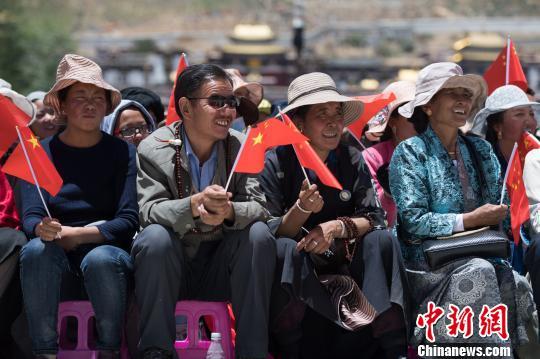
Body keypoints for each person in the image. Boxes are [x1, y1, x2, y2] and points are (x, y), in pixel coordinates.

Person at [261, 72, 410, 359]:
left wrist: (334, 227)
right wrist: (301, 210)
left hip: (345, 260)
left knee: (382, 241)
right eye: (321, 114)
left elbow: (375, 217)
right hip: (300, 268)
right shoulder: (276, 161)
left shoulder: (351, 156)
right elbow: (270, 229)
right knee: (283, 249)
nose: (333, 122)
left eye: (337, 113)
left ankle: (392, 345)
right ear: (299, 123)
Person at [389, 62, 537, 350]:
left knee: (516, 282)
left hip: (482, 253)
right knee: (479, 272)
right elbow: (413, 221)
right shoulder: (409, 153)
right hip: (427, 265)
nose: (462, 101)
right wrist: (470, 220)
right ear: (429, 106)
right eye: (452, 94)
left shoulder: (481, 150)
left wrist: (498, 217)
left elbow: (502, 213)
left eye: (466, 95)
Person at [132, 63, 275, 359]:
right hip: (172, 266)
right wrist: (195, 205)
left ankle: (253, 353)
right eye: (216, 102)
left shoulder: (242, 146)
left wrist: (229, 211)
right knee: (154, 238)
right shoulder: (153, 148)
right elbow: (149, 211)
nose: (227, 111)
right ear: (185, 107)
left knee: (259, 235)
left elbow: (261, 208)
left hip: (222, 267)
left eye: (231, 102)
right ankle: (156, 352)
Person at [18, 54, 138, 359]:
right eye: (80, 97)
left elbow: (127, 220)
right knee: (34, 251)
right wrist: (41, 228)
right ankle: (44, 351)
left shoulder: (123, 153)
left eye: (97, 97)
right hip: (55, 251)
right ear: (62, 105)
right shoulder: (39, 154)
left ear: (107, 105)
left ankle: (109, 349)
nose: (89, 105)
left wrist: (81, 234)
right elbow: (30, 216)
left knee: (101, 260)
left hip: (105, 250)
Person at [361, 81, 416, 227]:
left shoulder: (436, 152)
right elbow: (376, 218)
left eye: (422, 114)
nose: (419, 122)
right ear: (392, 121)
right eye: (411, 115)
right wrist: (388, 194)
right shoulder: (371, 157)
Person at [470, 84, 539, 175]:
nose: (529, 121)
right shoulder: (481, 168)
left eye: (531, 114)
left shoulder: (537, 159)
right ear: (498, 126)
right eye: (519, 114)